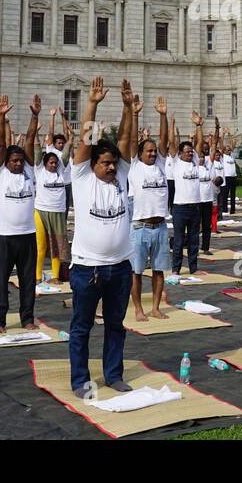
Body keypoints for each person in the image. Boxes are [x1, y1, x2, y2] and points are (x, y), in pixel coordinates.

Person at [68, 77, 136, 396]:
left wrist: (127, 108)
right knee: (82, 328)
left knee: (115, 327)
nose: (111, 167)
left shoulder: (121, 175)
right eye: (105, 163)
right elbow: (86, 140)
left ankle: (113, 375)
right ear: (92, 164)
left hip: (120, 268)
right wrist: (92, 104)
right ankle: (81, 380)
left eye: (113, 163)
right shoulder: (81, 176)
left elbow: (124, 139)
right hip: (87, 269)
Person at [0, 94, 40, 332]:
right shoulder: (0, 173)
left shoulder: (30, 172)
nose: (18, 164)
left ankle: (27, 318)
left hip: (28, 235)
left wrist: (35, 115)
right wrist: (1, 116)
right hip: (4, 237)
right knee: (0, 280)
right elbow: (0, 140)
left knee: (28, 281)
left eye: (20, 160)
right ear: (6, 161)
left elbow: (30, 138)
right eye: (14, 160)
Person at [129, 96, 171, 321]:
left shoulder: (162, 165)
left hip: (160, 227)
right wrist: (135, 114)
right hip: (139, 227)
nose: (153, 154)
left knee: (158, 270)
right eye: (149, 151)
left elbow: (164, 140)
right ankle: (138, 309)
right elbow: (133, 140)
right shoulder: (134, 166)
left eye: (155, 151)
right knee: (136, 272)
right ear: (141, 153)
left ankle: (155, 307)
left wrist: (163, 115)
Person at [34, 113, 71, 284]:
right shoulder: (39, 170)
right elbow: (35, 147)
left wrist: (70, 132)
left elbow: (69, 147)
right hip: (41, 212)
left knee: (57, 247)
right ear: (45, 163)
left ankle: (55, 276)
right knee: (41, 247)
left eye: (55, 163)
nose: (54, 165)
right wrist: (35, 122)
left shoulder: (61, 171)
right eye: (51, 163)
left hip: (57, 213)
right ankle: (37, 276)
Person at [168, 116, 204, 274]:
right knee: (179, 240)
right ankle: (176, 268)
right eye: (187, 152)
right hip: (180, 208)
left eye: (191, 151)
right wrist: (171, 124)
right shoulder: (176, 163)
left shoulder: (195, 161)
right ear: (180, 153)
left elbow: (200, 143)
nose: (190, 154)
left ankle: (193, 268)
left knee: (194, 240)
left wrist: (198, 125)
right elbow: (171, 144)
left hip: (195, 207)